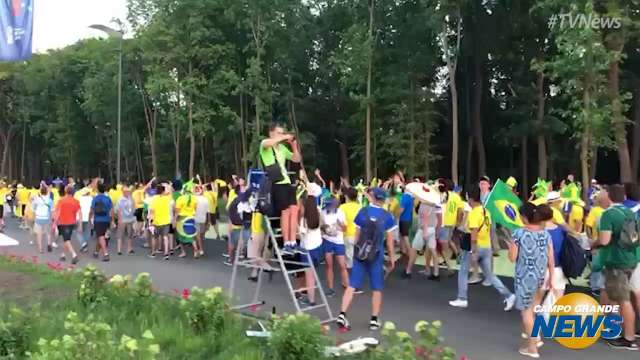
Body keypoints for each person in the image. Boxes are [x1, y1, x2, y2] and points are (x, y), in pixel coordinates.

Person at [336, 187, 396, 331]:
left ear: (372, 197)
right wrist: (392, 258)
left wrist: (357, 250)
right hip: (377, 254)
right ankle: (374, 319)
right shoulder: (388, 217)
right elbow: (389, 240)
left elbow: (357, 236)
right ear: (383, 199)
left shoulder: (362, 212)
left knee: (352, 285)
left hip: (361, 253)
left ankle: (342, 314)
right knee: (377, 288)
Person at [449, 187, 516, 310]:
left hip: (475, 247)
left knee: (463, 271)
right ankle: (509, 295)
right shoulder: (486, 211)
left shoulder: (474, 213)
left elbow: (473, 234)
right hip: (486, 246)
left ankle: (462, 298)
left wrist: (473, 251)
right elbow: (491, 230)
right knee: (490, 275)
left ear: (471, 198)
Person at [507, 203, 555, 359]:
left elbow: (512, 258)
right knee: (534, 309)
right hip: (541, 277)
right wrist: (552, 278)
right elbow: (551, 259)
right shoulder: (545, 234)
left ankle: (532, 347)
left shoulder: (518, 234)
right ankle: (536, 339)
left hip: (524, 277)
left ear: (525, 217)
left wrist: (510, 247)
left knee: (526, 313)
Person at [595, 185, 639, 350]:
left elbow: (605, 241)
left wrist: (594, 243)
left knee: (623, 301)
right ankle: (623, 332)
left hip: (616, 262)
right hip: (630, 259)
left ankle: (629, 338)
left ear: (609, 196)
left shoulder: (608, 214)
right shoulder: (630, 213)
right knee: (622, 298)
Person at [260, 123, 302, 250]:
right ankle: (286, 242)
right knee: (286, 211)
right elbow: (268, 143)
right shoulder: (265, 144)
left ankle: (293, 240)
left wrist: (293, 145)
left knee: (295, 209)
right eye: (279, 133)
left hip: (287, 181)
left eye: (282, 133)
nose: (281, 135)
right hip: (276, 183)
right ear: (271, 133)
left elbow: (296, 159)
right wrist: (285, 137)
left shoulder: (282, 149)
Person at [297, 186, 324, 307]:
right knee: (313, 274)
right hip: (318, 246)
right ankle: (311, 297)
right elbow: (322, 225)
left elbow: (300, 236)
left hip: (307, 248)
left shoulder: (304, 219)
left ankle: (311, 299)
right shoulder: (318, 212)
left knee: (309, 275)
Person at [404, 195, 442, 280]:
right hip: (432, 229)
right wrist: (437, 230)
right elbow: (440, 219)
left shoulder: (424, 204)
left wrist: (424, 231)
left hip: (423, 230)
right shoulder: (436, 205)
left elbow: (425, 218)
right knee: (433, 250)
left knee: (414, 249)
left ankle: (408, 271)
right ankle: (436, 273)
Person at [321, 197, 348, 297]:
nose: (328, 208)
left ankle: (347, 286)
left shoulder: (340, 212)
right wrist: (326, 229)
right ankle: (330, 289)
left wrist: (339, 225)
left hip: (338, 241)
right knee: (329, 265)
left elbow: (345, 228)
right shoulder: (323, 212)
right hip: (327, 240)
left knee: (342, 265)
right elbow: (321, 226)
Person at [53, 185, 81, 265]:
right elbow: (79, 212)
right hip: (72, 223)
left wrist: (54, 223)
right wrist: (80, 224)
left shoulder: (61, 201)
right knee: (67, 238)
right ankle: (63, 254)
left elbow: (57, 212)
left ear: (66, 192)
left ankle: (74, 254)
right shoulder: (76, 201)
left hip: (63, 223)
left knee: (66, 239)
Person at [174, 182, 200, 258]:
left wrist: (175, 220)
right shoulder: (194, 198)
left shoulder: (180, 199)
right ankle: (195, 250)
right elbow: (195, 209)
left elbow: (177, 211)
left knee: (181, 236)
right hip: (191, 217)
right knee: (191, 235)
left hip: (182, 218)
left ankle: (183, 252)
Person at [338, 187, 362, 272]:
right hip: (359, 234)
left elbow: (340, 221)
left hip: (347, 234)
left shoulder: (342, 207)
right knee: (357, 253)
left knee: (349, 255)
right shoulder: (360, 207)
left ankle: (350, 276)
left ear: (347, 196)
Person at [90, 183, 114, 262]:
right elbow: (111, 210)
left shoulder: (95, 199)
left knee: (100, 236)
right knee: (100, 237)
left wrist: (90, 218)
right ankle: (96, 252)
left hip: (98, 220)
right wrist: (112, 220)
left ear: (97, 190)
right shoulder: (108, 199)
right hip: (106, 219)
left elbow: (92, 210)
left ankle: (105, 254)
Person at [149, 183, 173, 260]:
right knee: (165, 237)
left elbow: (152, 211)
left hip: (156, 221)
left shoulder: (154, 199)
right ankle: (166, 253)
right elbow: (170, 191)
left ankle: (153, 253)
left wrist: (151, 222)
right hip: (166, 221)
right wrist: (168, 185)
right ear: (163, 191)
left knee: (154, 237)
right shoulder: (167, 198)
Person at [31, 183, 53, 254]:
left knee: (39, 234)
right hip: (47, 217)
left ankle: (40, 248)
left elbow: (33, 208)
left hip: (38, 218)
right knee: (48, 232)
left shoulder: (37, 199)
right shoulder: (49, 200)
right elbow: (52, 210)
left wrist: (34, 216)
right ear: (47, 191)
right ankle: (49, 243)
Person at [116, 186, 136, 255]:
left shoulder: (131, 199)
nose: (127, 192)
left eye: (128, 191)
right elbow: (118, 210)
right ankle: (119, 250)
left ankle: (129, 248)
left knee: (130, 234)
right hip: (123, 219)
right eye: (125, 191)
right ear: (122, 192)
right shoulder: (120, 199)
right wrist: (119, 219)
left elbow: (134, 208)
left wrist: (134, 218)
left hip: (130, 219)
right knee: (120, 234)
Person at [194, 184, 209, 257]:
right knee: (201, 235)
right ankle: (199, 249)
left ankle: (199, 249)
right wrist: (208, 221)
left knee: (198, 236)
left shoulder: (194, 198)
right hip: (203, 219)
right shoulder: (205, 199)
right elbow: (207, 212)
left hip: (195, 218)